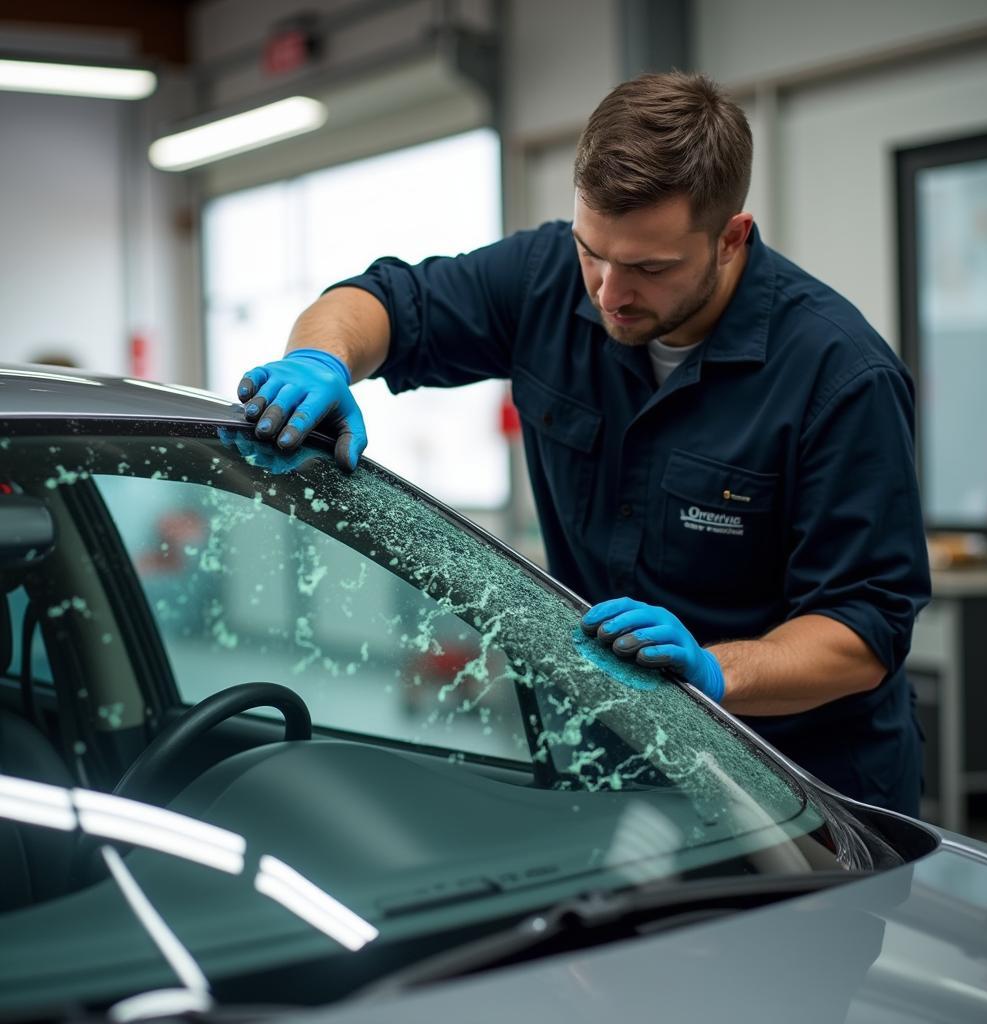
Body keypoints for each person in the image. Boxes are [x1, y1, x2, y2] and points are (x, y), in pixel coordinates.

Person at [237, 71, 931, 816]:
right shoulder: (542, 280)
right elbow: (383, 303)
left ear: (732, 237)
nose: (608, 293)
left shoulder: (839, 375)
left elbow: (864, 630)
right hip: (617, 761)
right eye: (591, 251)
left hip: (806, 786)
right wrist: (323, 358)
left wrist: (713, 671)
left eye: (649, 268)